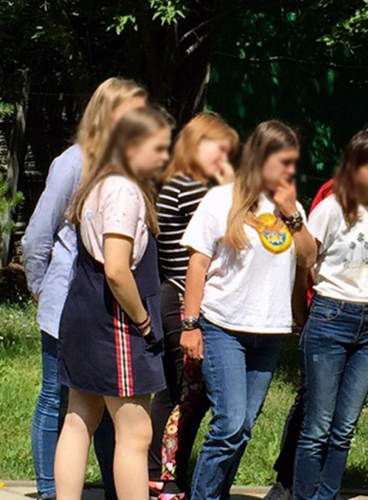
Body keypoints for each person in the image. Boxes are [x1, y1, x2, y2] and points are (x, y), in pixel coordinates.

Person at [266, 123, 368, 500]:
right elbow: (305, 259)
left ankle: (326, 495)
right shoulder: (330, 208)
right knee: (317, 426)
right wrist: (300, 309)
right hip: (330, 315)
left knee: (344, 428)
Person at [23, 76, 146, 500]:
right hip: (68, 301)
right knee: (57, 400)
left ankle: (114, 488)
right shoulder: (74, 161)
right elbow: (37, 235)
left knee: (101, 408)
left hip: (103, 308)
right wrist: (41, 289)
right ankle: (49, 490)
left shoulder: (127, 166)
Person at [182, 121, 317, 500]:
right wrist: (190, 324)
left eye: (293, 162)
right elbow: (197, 263)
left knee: (243, 428)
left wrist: (292, 214)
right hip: (223, 327)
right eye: (283, 162)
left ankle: (218, 493)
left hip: (268, 334)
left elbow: (309, 257)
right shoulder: (221, 200)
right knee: (229, 424)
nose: (290, 170)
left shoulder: (292, 209)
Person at [54, 105, 173, 500]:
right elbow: (118, 269)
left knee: (79, 419)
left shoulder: (98, 180)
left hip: (84, 313)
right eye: (159, 148)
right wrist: (144, 322)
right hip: (115, 324)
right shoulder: (124, 189)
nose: (165, 157)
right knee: (135, 433)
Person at [148, 113, 239, 499]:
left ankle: (166, 471)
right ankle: (161, 473)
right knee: (182, 393)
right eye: (220, 150)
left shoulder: (184, 183)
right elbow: (229, 225)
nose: (225, 159)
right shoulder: (188, 187)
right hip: (181, 297)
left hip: (181, 296)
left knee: (186, 392)